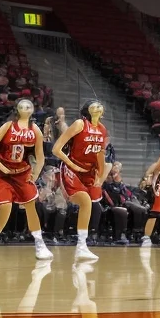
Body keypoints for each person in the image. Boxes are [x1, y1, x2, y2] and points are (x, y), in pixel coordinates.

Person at [0, 98, 52, 261]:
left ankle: (40, 244)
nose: (26, 108)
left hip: (22, 173)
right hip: (2, 174)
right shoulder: (7, 126)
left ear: (32, 110)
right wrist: (3, 168)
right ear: (17, 109)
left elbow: (40, 157)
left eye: (29, 106)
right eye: (22, 106)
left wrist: (35, 174)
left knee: (31, 207)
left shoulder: (36, 130)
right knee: (5, 210)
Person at [52, 100, 109, 262]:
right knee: (85, 202)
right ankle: (81, 246)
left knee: (92, 203)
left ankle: (81, 247)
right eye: (94, 105)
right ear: (87, 110)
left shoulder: (102, 129)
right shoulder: (79, 124)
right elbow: (56, 149)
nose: (98, 107)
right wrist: (71, 164)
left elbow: (100, 155)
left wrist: (100, 174)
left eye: (100, 105)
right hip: (71, 169)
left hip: (90, 172)